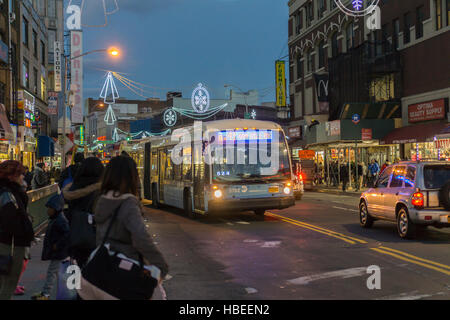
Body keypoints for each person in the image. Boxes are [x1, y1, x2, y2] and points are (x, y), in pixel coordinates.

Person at [78, 156, 169, 300]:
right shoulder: (128, 203)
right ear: (131, 177)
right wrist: (161, 266)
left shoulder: (102, 199)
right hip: (123, 275)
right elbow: (141, 237)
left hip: (98, 271)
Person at [0, 161, 35, 300]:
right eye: (20, 174)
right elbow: (12, 223)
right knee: (7, 284)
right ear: (12, 176)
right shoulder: (9, 195)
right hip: (11, 245)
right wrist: (27, 227)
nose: (23, 178)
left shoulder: (8, 192)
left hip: (9, 243)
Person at [62, 157, 104, 269]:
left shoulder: (72, 188)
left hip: (75, 235)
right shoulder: (102, 190)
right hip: (96, 237)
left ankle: (77, 284)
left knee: (77, 269)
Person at [31, 194, 69, 300]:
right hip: (59, 252)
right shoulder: (57, 218)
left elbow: (67, 235)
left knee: (52, 273)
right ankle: (54, 293)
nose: (48, 211)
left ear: (56, 208)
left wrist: (58, 245)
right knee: (55, 273)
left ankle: (46, 294)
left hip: (59, 253)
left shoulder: (59, 220)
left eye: (50, 208)